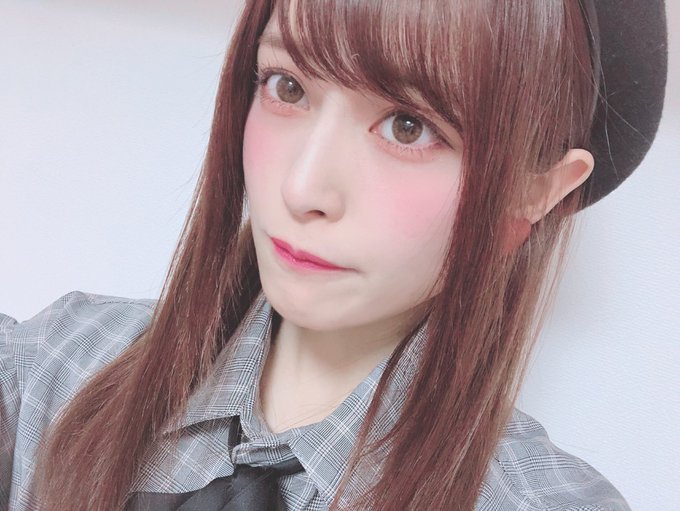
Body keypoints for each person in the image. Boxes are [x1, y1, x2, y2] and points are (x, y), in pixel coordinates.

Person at [0, 0, 668, 510]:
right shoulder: (53, 368)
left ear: (533, 191)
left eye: (408, 126)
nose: (303, 189)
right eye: (287, 87)